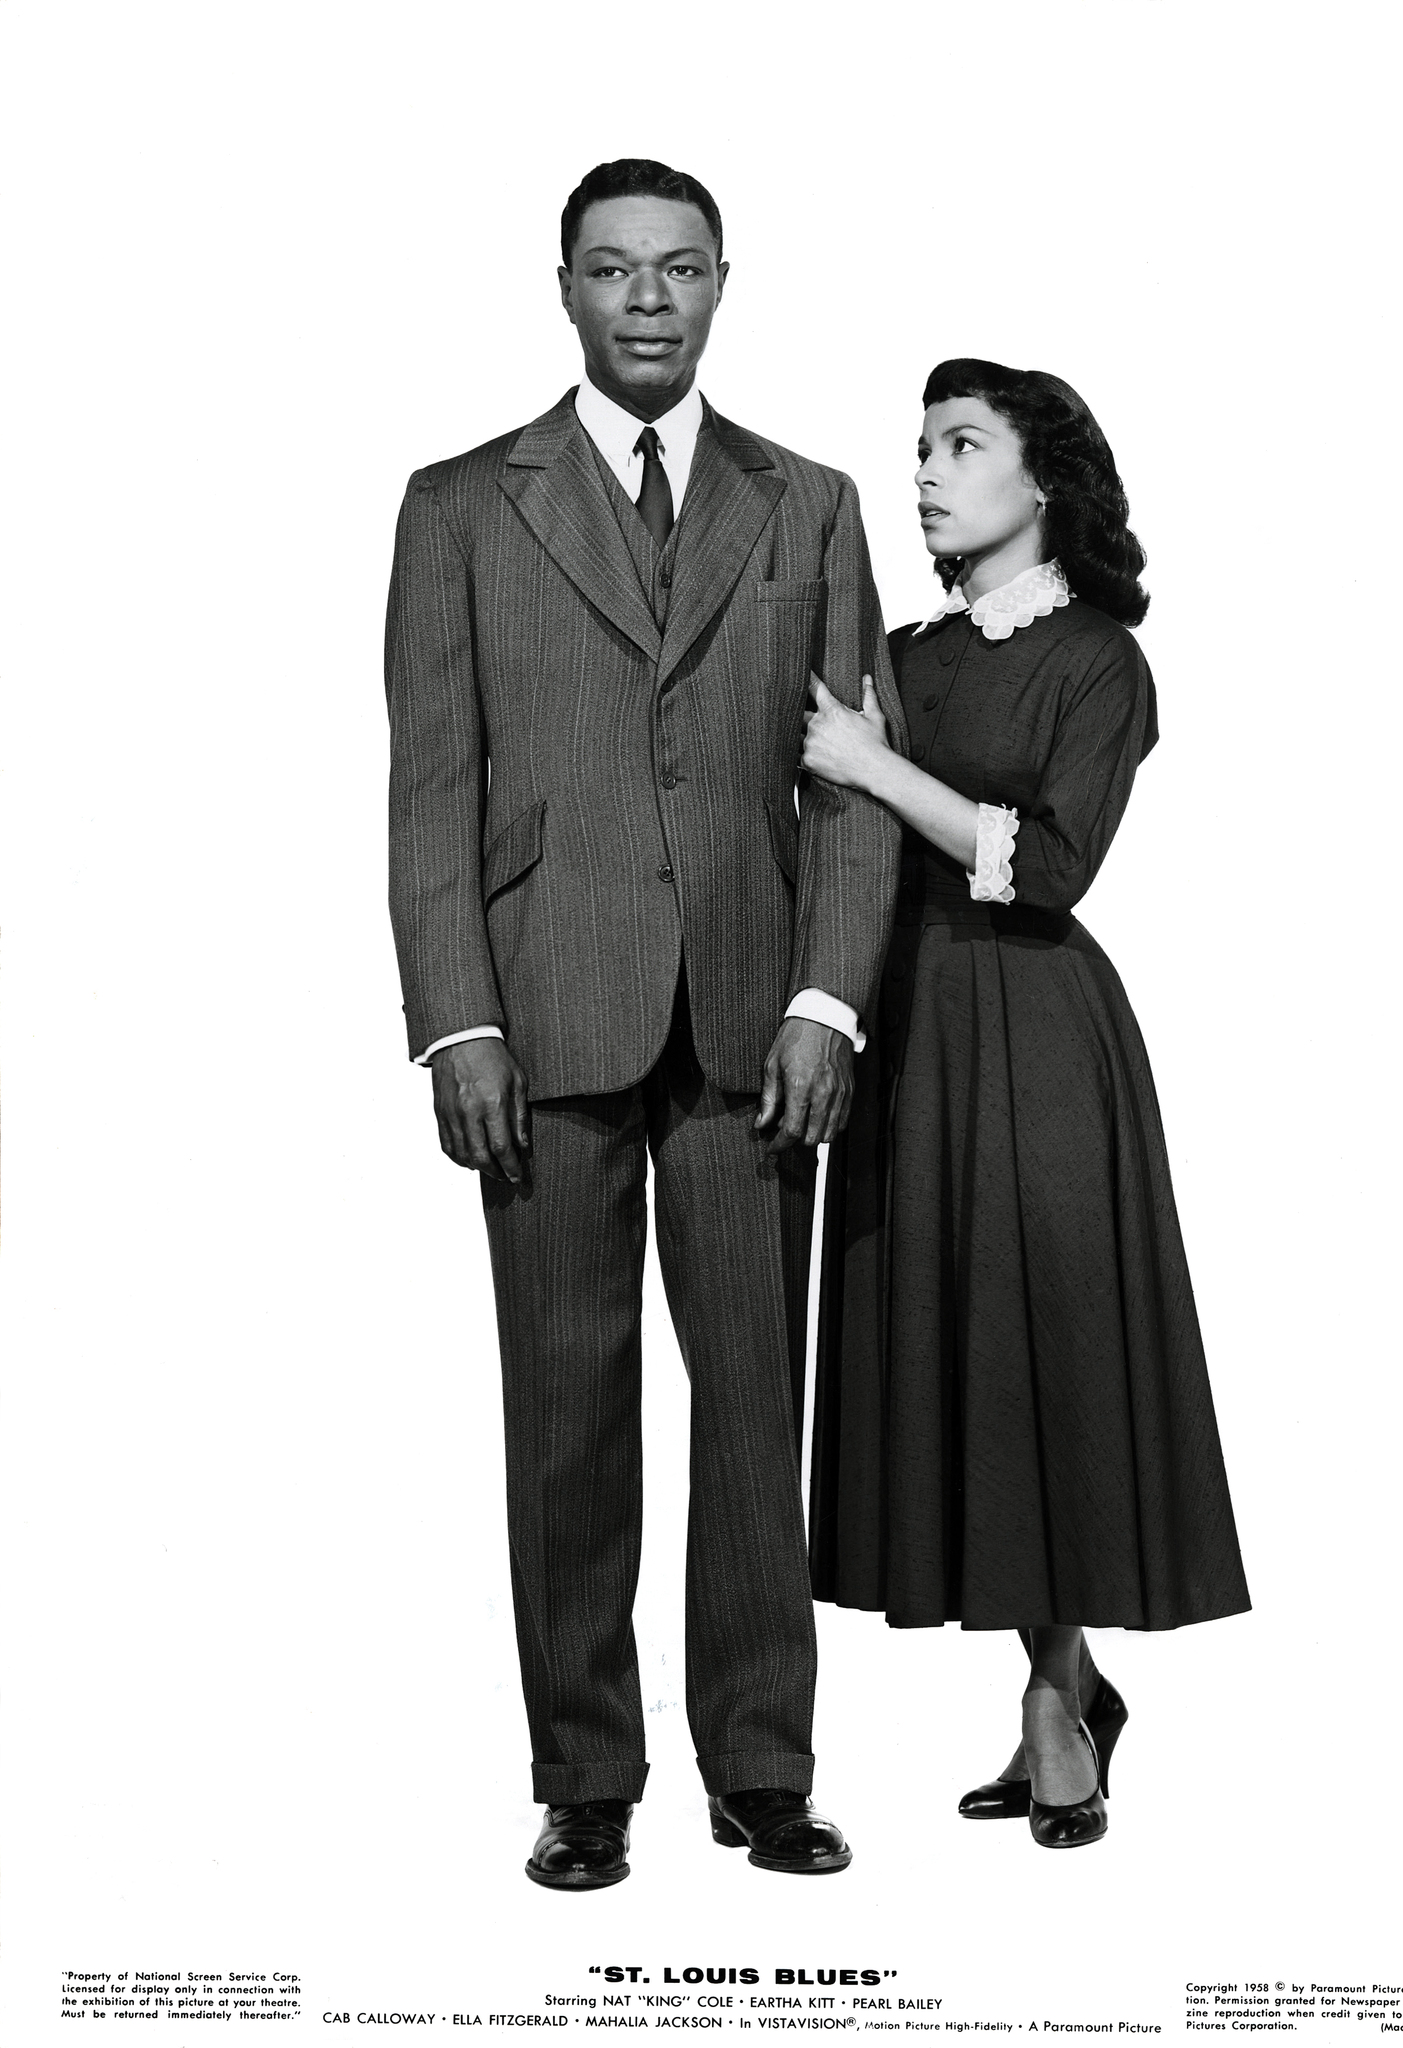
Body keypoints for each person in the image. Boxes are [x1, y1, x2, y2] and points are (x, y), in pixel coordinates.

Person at [384, 159, 904, 1890]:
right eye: (615, 272)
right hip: (543, 1022)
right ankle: (584, 1779)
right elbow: (432, 791)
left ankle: (764, 1769)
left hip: (760, 1026)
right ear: (564, 289)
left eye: (680, 270)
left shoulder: (810, 504)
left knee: (758, 1411)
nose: (650, 301)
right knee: (566, 1408)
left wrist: (832, 996)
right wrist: (456, 1025)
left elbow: (852, 788)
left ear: (725, 282)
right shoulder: (461, 505)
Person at [803, 359, 1250, 1851]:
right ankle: (1056, 1690)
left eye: (962, 444)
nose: (927, 470)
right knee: (968, 1367)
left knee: (1046, 1352)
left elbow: (1051, 867)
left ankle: (1061, 1702)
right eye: (920, 446)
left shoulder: (1100, 661)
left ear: (1038, 477)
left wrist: (873, 764)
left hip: (1041, 1036)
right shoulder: (912, 655)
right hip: (907, 1030)